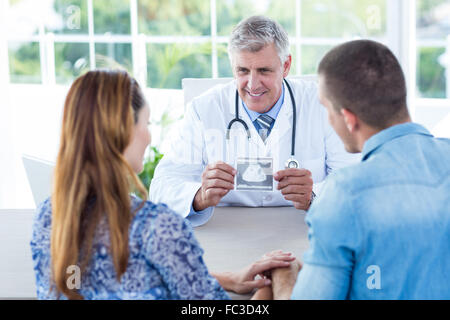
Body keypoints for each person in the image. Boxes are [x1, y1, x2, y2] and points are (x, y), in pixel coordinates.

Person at [29, 70, 296, 300]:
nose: (149, 136)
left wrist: (228, 278)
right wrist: (272, 284)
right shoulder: (157, 227)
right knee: (287, 271)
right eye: (146, 123)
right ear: (124, 131)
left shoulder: (48, 217)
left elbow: (124, 276)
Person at [266, 40, 450, 300]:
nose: (328, 119)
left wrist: (283, 276)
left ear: (349, 119)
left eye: (327, 109)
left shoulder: (345, 193)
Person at [150, 16, 358, 227]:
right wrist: (199, 196)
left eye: (264, 71)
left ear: (286, 65)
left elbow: (354, 181)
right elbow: (162, 186)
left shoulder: (323, 105)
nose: (253, 84)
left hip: (302, 230)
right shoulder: (204, 109)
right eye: (243, 71)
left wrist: (314, 195)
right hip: (227, 234)